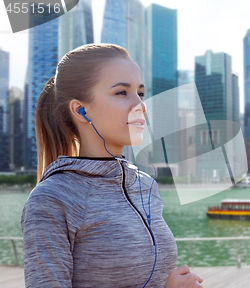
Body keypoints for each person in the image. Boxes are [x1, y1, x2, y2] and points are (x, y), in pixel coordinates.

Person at [21, 43, 203, 288]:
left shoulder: (145, 185)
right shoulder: (52, 199)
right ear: (81, 110)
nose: (139, 105)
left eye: (140, 93)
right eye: (121, 93)